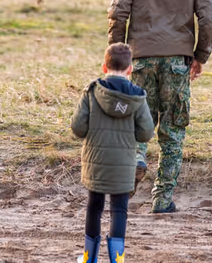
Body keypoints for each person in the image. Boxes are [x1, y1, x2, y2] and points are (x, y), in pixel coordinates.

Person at [107, 0, 212, 214]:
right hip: (177, 62)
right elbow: (209, 21)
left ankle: (136, 157)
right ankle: (162, 199)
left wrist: (118, 53)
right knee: (172, 130)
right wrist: (200, 56)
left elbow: (117, 11)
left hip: (141, 58)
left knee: (137, 118)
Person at [71, 42, 154, 263]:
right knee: (119, 210)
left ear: (104, 67)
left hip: (96, 162)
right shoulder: (138, 97)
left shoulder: (92, 92)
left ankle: (89, 257)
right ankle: (117, 259)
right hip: (124, 164)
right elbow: (146, 133)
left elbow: (78, 128)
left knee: (94, 207)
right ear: (129, 69)